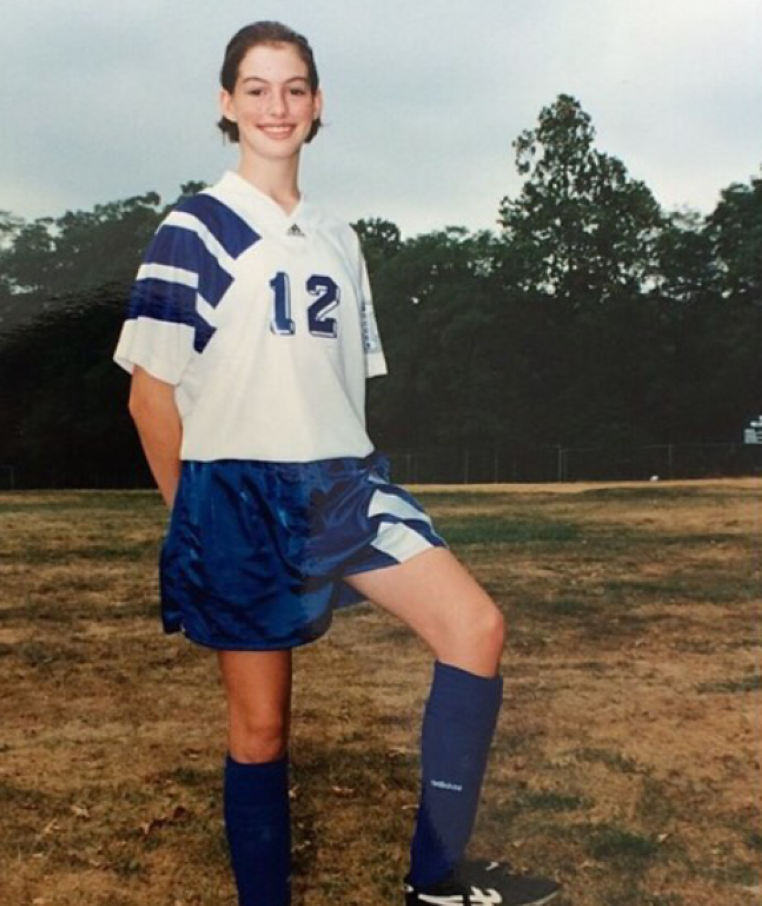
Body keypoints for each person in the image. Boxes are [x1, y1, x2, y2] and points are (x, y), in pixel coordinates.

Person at [114, 20, 561, 906]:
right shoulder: (193, 229)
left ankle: (436, 884)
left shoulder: (339, 237)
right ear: (226, 104)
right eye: (256, 88)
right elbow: (148, 397)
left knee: (475, 631)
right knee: (261, 731)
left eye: (293, 89)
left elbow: (339, 387)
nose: (275, 106)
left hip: (342, 486)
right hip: (236, 494)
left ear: (317, 106)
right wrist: (190, 516)